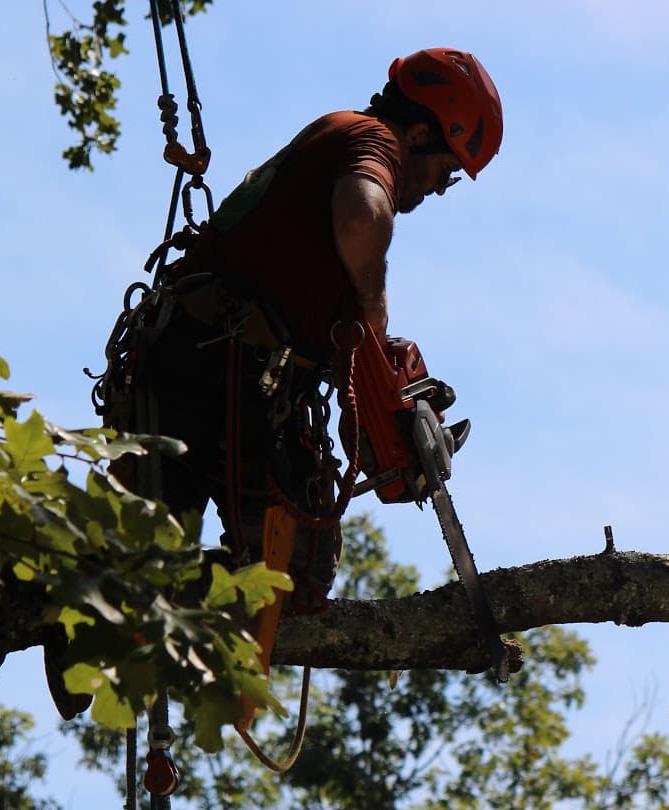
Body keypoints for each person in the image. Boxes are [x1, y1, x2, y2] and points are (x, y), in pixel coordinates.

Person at [51, 47, 503, 717]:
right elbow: (360, 214)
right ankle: (93, 599)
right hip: (208, 376)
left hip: (217, 376)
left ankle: (114, 604)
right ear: (417, 134)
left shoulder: (333, 157)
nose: (438, 189)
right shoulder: (369, 140)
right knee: (225, 577)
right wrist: (377, 325)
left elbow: (343, 341)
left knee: (295, 573)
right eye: (445, 170)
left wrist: (379, 403)